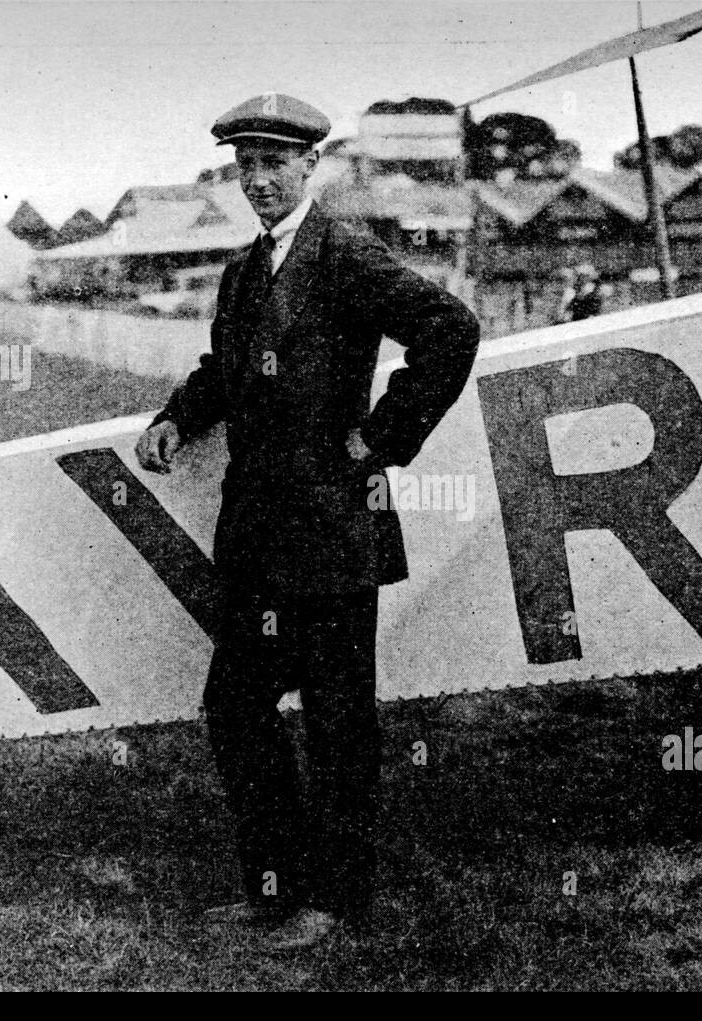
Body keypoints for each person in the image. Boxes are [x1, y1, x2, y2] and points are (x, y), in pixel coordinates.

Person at [135, 93, 481, 950]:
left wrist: (380, 439)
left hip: (332, 535)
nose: (257, 182)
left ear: (309, 166)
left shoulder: (346, 254)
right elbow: (227, 367)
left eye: (273, 165)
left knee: (336, 724)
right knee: (235, 710)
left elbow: (450, 328)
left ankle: (336, 902)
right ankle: (272, 889)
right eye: (244, 167)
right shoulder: (246, 268)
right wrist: (178, 414)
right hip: (258, 538)